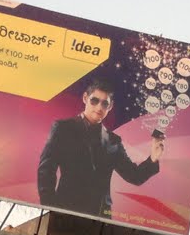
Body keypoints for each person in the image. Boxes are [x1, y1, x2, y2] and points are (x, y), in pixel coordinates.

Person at [37, 81, 164, 219]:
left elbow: (134, 176)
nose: (99, 107)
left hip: (100, 218)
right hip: (66, 211)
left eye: (105, 103)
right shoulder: (63, 128)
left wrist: (153, 158)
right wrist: (50, 209)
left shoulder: (113, 140)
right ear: (85, 98)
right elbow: (46, 170)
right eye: (94, 100)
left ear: (110, 106)